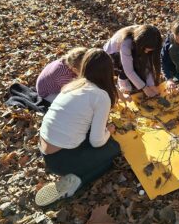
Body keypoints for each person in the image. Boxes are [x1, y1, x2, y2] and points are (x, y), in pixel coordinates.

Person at [35, 48, 121, 206]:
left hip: (45, 149)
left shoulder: (72, 85)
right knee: (113, 150)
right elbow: (96, 141)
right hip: (61, 160)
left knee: (98, 140)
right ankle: (77, 181)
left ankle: (76, 169)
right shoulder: (101, 96)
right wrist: (108, 131)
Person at [103, 24, 162, 98]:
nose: (147, 52)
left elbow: (147, 63)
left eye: (149, 50)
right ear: (141, 44)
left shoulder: (151, 38)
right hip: (112, 55)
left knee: (140, 65)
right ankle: (123, 86)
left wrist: (151, 85)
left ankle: (135, 84)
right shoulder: (126, 43)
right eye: (146, 50)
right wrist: (145, 88)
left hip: (133, 50)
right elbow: (129, 70)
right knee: (129, 70)